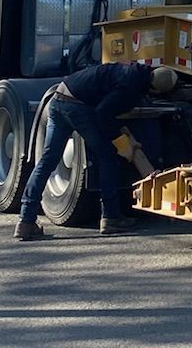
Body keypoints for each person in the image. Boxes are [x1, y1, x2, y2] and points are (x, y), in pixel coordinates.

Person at [13, 58, 156, 242]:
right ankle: (111, 217)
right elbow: (102, 113)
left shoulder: (126, 70)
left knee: (47, 160)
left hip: (57, 98)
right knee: (108, 157)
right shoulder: (130, 87)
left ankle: (25, 221)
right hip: (77, 107)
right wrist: (120, 140)